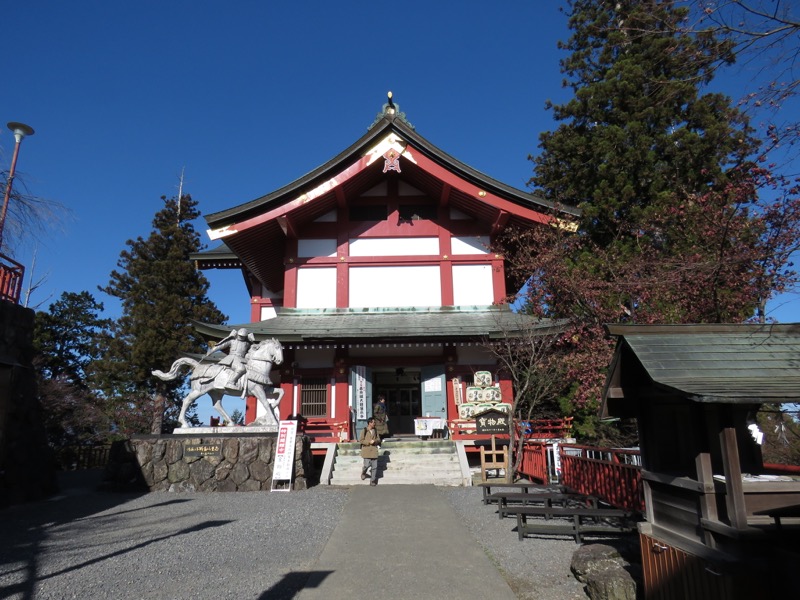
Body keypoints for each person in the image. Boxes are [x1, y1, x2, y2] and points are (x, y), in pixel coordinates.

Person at [359, 417, 380, 485]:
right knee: (366, 465)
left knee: (374, 466)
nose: (374, 423)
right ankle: (363, 473)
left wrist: (375, 441)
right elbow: (361, 440)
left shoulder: (375, 431)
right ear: (369, 423)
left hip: (374, 450)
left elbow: (379, 439)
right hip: (366, 450)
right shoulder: (364, 430)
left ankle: (372, 481)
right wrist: (368, 442)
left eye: (374, 422)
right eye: (373, 422)